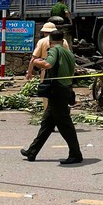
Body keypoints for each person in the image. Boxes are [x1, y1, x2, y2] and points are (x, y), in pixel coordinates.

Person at [21, 30, 83, 164]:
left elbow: (48, 64)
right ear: (63, 40)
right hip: (66, 89)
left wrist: (36, 62)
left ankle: (76, 154)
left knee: (65, 125)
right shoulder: (68, 53)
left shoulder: (54, 50)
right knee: (47, 123)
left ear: (50, 41)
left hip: (57, 91)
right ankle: (32, 151)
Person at [27, 22, 71, 107]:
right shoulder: (64, 42)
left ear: (45, 32)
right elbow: (68, 56)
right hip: (62, 72)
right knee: (61, 93)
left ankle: (47, 111)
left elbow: (33, 59)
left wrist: (29, 73)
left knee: (46, 93)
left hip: (46, 71)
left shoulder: (42, 41)